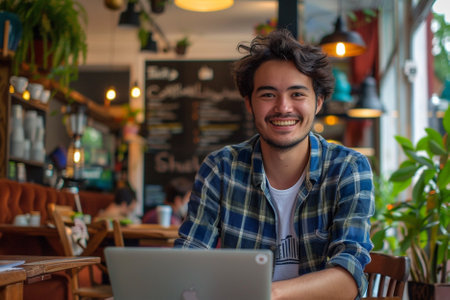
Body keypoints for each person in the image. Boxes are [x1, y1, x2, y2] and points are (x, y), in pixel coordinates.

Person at [174, 29, 374, 300]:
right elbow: (189, 257)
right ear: (249, 103)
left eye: (297, 94)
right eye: (268, 95)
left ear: (318, 102)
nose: (283, 107)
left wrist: (267, 293)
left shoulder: (348, 169)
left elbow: (348, 279)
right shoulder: (221, 169)